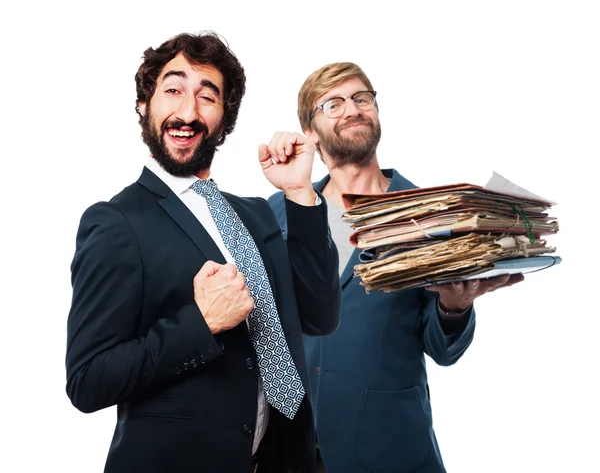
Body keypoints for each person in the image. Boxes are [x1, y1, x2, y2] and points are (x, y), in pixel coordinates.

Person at [65, 32, 341, 473]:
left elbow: (320, 316)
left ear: (224, 118)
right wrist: (201, 323)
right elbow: (87, 381)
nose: (188, 111)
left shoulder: (255, 214)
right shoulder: (116, 223)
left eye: (207, 97)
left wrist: (300, 192)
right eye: (172, 90)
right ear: (144, 106)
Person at [268, 62, 525, 473]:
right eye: (332, 103)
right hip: (291, 450)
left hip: (388, 448)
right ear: (310, 131)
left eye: (361, 98)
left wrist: (455, 308)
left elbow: (443, 350)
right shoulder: (281, 211)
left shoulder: (430, 215)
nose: (352, 109)